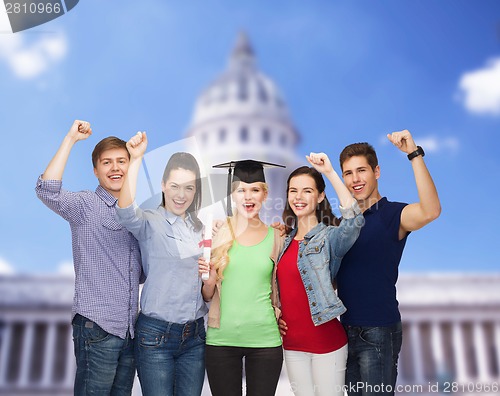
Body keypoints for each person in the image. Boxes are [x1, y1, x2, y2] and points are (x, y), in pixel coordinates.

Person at [35, 120, 142, 396]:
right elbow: (47, 190)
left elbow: (143, 273)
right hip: (98, 328)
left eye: (122, 161)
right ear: (96, 171)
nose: (116, 168)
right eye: (107, 163)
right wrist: (70, 139)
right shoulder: (85, 205)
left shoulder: (138, 215)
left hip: (130, 331)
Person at [336, 130, 441, 396]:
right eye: (348, 173)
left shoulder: (393, 215)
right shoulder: (341, 224)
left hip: (378, 331)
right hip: (343, 330)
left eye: (362, 171)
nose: (355, 179)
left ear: (377, 171)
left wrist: (413, 154)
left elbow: (431, 211)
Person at [115, 131, 207, 396]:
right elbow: (124, 210)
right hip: (155, 337)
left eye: (189, 187)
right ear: (163, 185)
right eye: (175, 186)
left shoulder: (200, 229)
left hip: (195, 337)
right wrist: (136, 159)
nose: (181, 195)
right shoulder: (149, 222)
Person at [276, 152, 363, 396]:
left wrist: (329, 172)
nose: (299, 197)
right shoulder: (282, 241)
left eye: (307, 191)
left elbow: (354, 220)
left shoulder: (330, 237)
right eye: (293, 190)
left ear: (320, 195)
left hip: (327, 343)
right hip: (291, 345)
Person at [198, 159, 285, 396]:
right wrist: (209, 281)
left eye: (255, 190)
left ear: (265, 195)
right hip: (221, 340)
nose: (248, 197)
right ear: (232, 195)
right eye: (241, 190)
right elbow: (207, 296)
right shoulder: (216, 235)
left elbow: (283, 286)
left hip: (265, 340)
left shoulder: (277, 237)